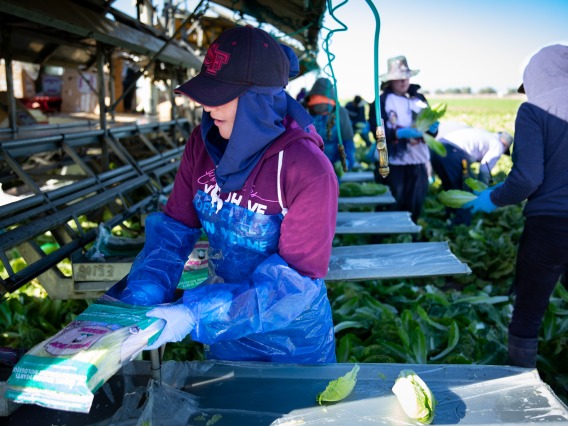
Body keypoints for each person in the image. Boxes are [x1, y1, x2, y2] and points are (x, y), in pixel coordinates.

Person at [116, 25, 338, 364]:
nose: (205, 105)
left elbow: (295, 282)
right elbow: (174, 229)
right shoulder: (202, 144)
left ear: (259, 102)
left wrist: (194, 315)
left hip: (292, 340)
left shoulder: (307, 169)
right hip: (223, 328)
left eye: (219, 95)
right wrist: (143, 292)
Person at [464, 44, 568, 368]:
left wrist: (493, 197)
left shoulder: (535, 110)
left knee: (528, 313)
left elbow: (527, 179)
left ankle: (521, 395)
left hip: (551, 226)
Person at [372, 56, 438, 222]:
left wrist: (433, 130)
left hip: (418, 160)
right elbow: (376, 130)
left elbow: (429, 128)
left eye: (406, 78)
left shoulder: (420, 99)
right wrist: (398, 134)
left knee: (415, 203)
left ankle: (410, 237)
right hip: (393, 163)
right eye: (399, 79)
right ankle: (384, 238)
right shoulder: (381, 101)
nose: (403, 82)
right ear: (390, 80)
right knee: (392, 203)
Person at [430, 126, 513, 225]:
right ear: (506, 145)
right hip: (453, 153)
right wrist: (483, 190)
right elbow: (485, 170)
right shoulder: (498, 145)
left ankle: (449, 217)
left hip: (437, 149)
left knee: (451, 188)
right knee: (464, 192)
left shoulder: (487, 136)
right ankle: (460, 224)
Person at [304, 77, 358, 171]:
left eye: (324, 107)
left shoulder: (341, 113)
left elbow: (347, 140)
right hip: (306, 165)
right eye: (317, 106)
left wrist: (346, 160)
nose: (321, 109)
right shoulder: (303, 112)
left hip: (333, 165)